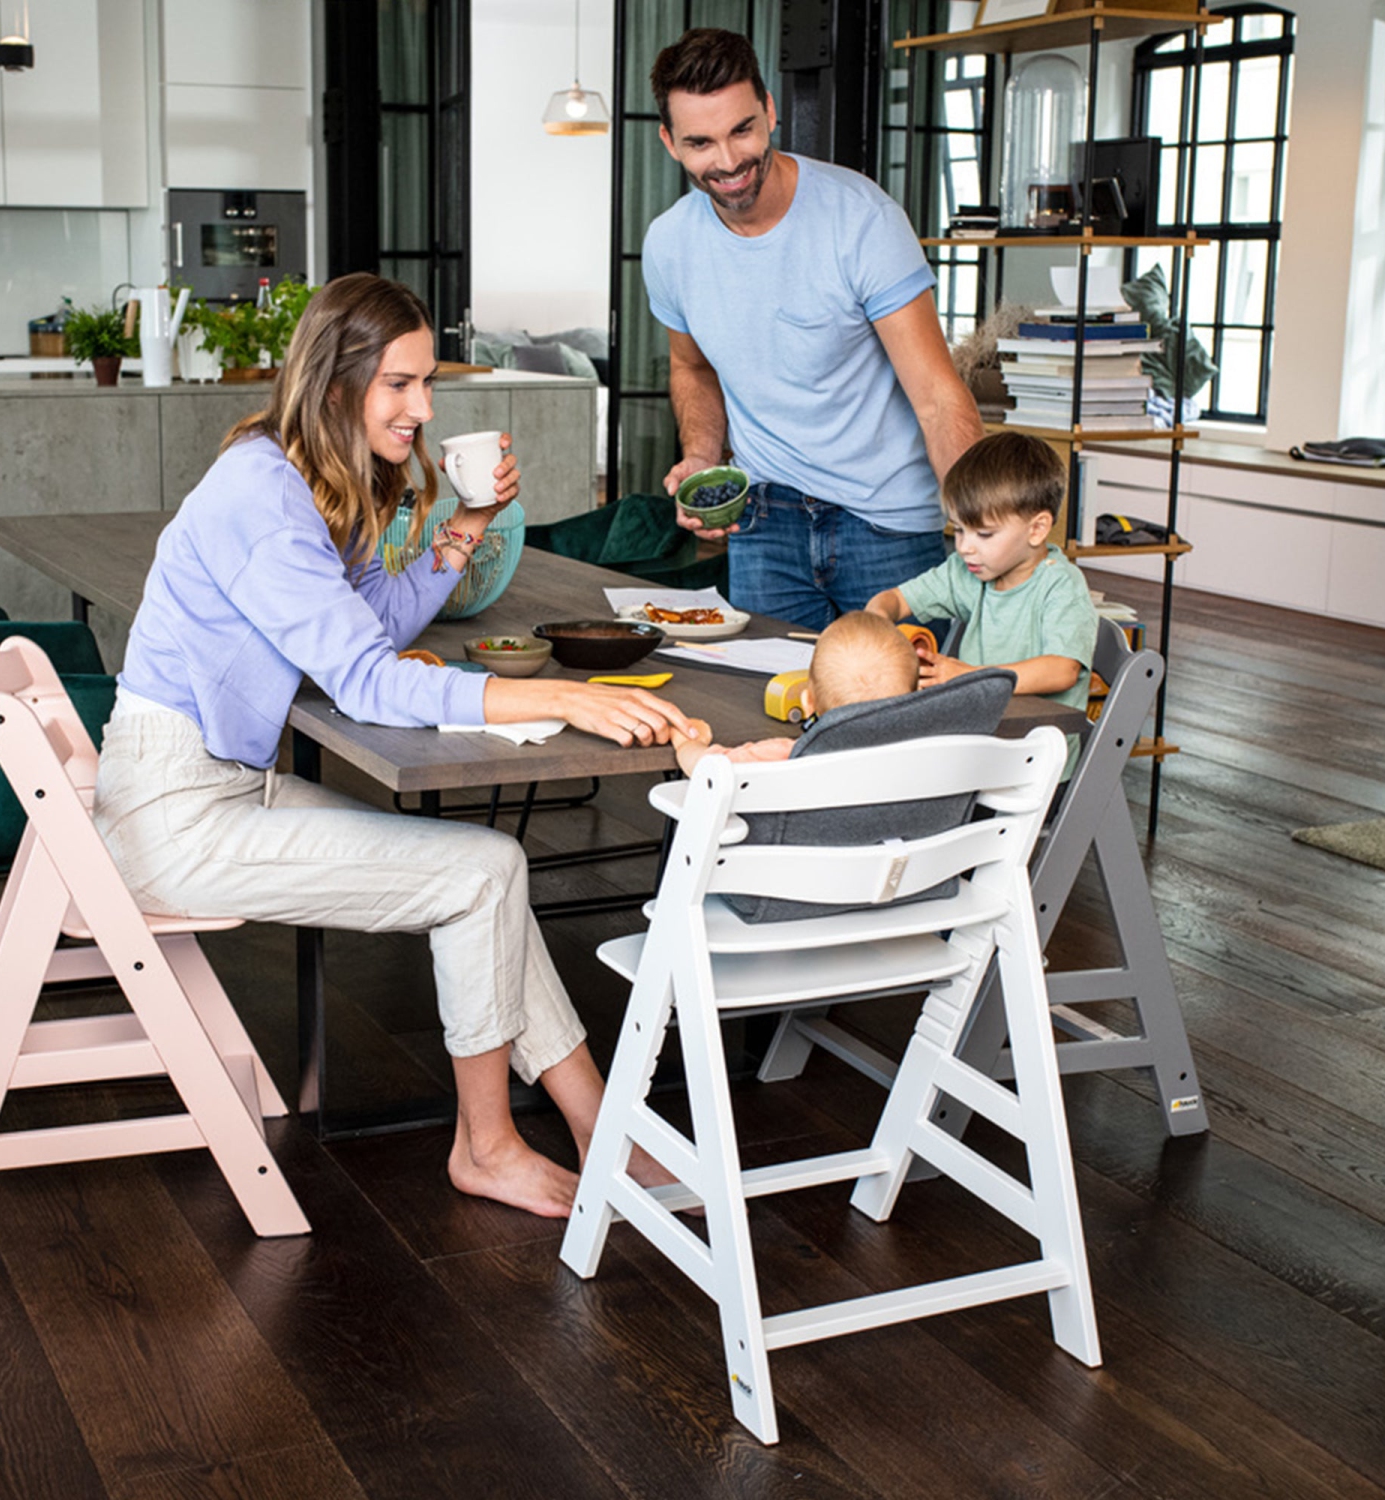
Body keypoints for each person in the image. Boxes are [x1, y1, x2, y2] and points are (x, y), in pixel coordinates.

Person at [92, 273, 695, 1221]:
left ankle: (602, 1128)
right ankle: (487, 1147)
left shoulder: (303, 473)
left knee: (485, 879)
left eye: (427, 385)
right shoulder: (261, 492)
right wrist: (553, 696)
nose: (421, 408)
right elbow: (367, 680)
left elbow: (360, 629)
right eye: (399, 386)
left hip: (223, 788)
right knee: (484, 870)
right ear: (337, 385)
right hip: (178, 815)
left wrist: (467, 525)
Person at [643, 27, 985, 631]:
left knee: (902, 714)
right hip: (764, 522)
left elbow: (937, 397)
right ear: (670, 142)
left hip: (889, 525)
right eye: (700, 142)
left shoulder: (862, 220)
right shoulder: (669, 244)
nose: (726, 162)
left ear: (770, 111)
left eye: (742, 130)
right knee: (773, 705)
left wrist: (989, 525)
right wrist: (699, 455)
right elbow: (692, 366)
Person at [866, 430, 1098, 773]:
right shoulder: (969, 571)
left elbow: (1063, 670)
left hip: (1034, 767)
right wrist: (878, 626)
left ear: (1037, 529)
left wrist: (973, 678)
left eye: (984, 534)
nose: (964, 547)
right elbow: (893, 600)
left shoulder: (1060, 585)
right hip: (977, 751)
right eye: (958, 530)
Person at [671, 610, 918, 774]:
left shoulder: (783, 756)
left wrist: (688, 743)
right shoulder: (924, 761)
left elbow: (709, 770)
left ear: (807, 702)